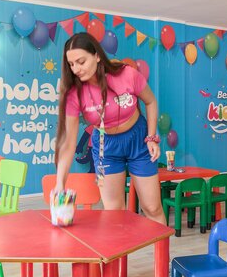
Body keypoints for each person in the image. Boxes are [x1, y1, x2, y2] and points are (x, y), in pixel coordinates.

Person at [54, 33, 165, 224]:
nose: (76, 69)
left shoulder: (127, 74)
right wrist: (59, 183)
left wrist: (151, 137)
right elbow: (68, 143)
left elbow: (151, 101)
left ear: (97, 56)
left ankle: (162, 245)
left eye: (81, 61)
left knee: (152, 207)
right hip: (106, 147)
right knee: (114, 212)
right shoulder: (74, 94)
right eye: (71, 64)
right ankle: (124, 246)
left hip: (138, 140)